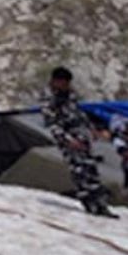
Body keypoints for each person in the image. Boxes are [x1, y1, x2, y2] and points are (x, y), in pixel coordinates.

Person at [42, 67, 116, 218]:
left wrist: (92, 130)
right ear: (56, 81)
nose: (66, 85)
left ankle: (100, 204)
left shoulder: (70, 95)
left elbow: (79, 114)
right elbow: (53, 124)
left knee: (91, 169)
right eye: (63, 82)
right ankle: (89, 203)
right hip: (69, 140)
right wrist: (69, 140)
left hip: (82, 136)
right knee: (80, 171)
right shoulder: (49, 98)